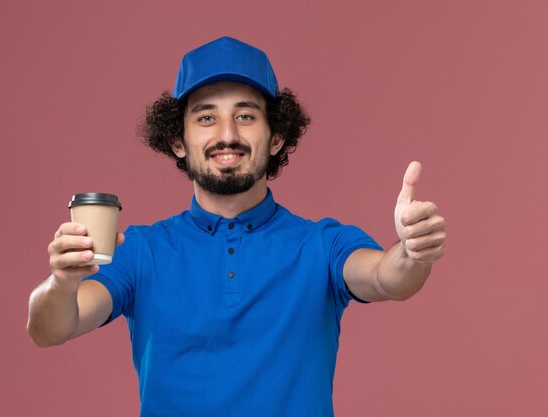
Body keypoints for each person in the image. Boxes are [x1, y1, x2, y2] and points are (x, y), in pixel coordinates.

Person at [27, 36, 446, 417]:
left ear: (276, 136)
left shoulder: (322, 243)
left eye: (245, 116)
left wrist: (411, 252)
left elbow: (386, 277)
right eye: (206, 118)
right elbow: (49, 329)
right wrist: (61, 284)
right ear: (178, 140)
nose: (227, 135)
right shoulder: (141, 251)